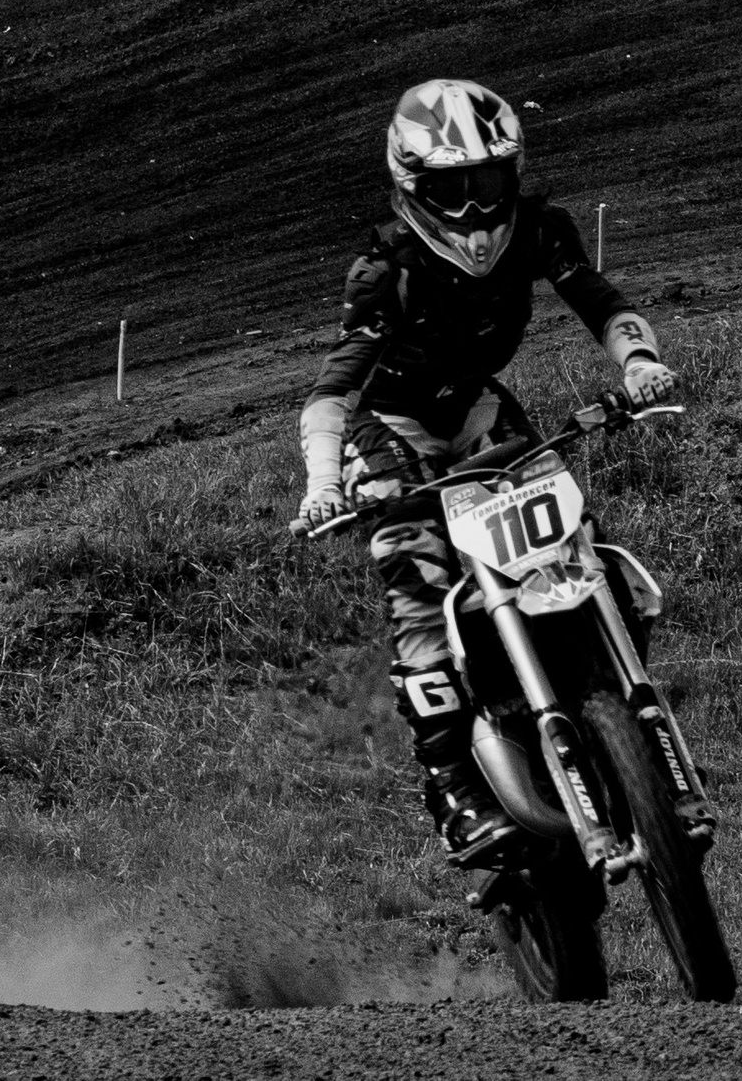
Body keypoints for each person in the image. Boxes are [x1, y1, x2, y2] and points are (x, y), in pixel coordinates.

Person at [290, 79, 680, 866]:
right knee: (420, 587)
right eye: (450, 189)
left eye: (487, 182)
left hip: (476, 407)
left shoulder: (540, 230)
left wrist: (640, 362)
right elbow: (333, 390)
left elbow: (602, 301)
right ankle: (457, 794)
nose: (472, 210)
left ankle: (612, 701)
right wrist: (325, 485)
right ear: (412, 186)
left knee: (575, 541)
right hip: (391, 428)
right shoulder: (385, 269)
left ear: (514, 170)